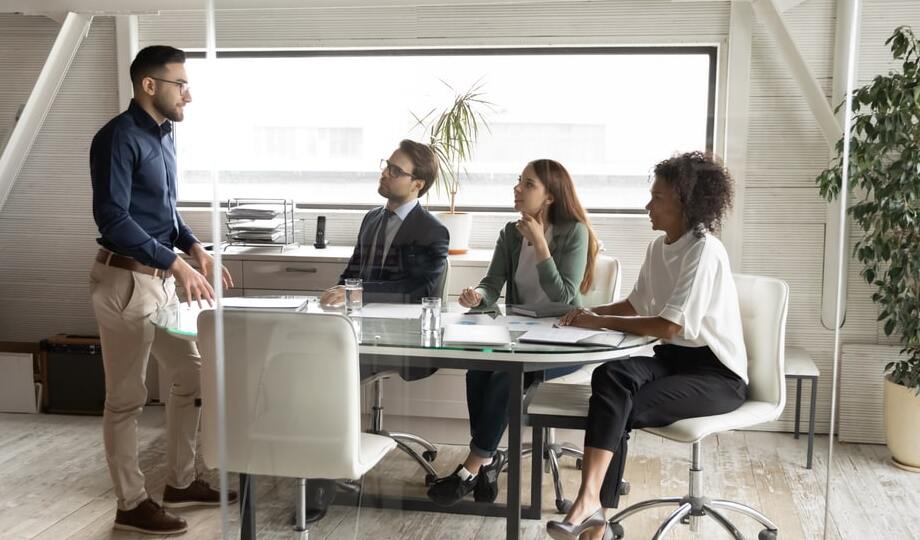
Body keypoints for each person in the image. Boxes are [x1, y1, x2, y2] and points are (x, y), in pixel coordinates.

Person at [545, 152, 749, 540]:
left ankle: (594, 515)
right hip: (673, 361)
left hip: (718, 375)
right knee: (612, 376)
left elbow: (669, 325)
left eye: (656, 197)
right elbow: (636, 305)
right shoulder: (659, 248)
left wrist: (600, 321)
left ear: (684, 202)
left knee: (624, 405)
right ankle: (592, 509)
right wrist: (585, 312)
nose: (647, 205)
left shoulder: (704, 251)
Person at [89, 45, 236, 535]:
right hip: (127, 281)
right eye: (181, 85)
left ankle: (180, 480)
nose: (188, 96)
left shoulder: (164, 136)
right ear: (149, 85)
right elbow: (114, 216)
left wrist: (194, 248)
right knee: (126, 398)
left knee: (190, 374)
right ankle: (130, 505)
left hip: (160, 278)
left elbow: (165, 209)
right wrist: (174, 261)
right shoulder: (117, 138)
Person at [427, 159, 599, 507]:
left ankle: (472, 466)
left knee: (508, 375)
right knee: (479, 366)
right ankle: (486, 463)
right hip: (519, 333)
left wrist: (541, 245)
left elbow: (564, 297)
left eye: (528, 184)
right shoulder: (510, 232)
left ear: (549, 196)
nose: (517, 189)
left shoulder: (574, 232)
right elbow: (493, 284)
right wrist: (478, 296)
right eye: (518, 182)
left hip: (565, 339)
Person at [320, 139, 449, 310]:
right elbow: (352, 273)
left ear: (417, 184)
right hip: (360, 316)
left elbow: (417, 289)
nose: (385, 173)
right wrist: (333, 300)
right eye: (388, 165)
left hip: (402, 324)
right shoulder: (371, 219)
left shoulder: (432, 231)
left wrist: (361, 293)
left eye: (396, 171)